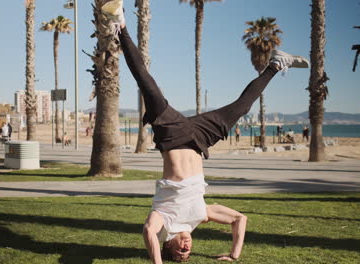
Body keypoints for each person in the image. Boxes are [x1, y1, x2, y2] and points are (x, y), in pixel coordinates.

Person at [102, 1, 309, 262]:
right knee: (242, 107)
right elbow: (239, 219)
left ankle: (120, 25)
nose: (186, 247)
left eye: (180, 250)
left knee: (146, 82)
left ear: (168, 245)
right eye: (188, 252)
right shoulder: (201, 215)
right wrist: (234, 255)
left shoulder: (164, 220)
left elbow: (148, 232)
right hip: (200, 139)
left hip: (172, 134)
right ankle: (276, 64)